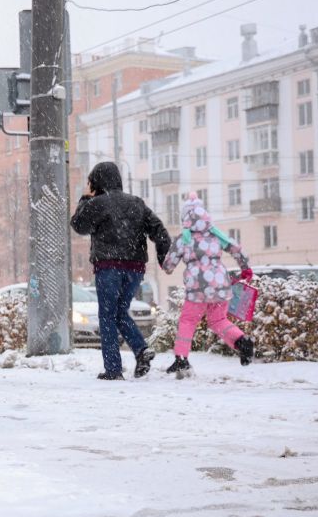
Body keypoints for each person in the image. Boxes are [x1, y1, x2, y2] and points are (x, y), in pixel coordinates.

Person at [71, 161, 171, 380]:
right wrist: (163, 258)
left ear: (97, 181)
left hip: (109, 267)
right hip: (135, 269)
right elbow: (160, 230)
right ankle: (141, 350)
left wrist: (85, 198)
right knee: (119, 312)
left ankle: (113, 369)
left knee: (107, 315)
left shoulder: (98, 203)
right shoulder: (136, 203)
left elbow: (78, 225)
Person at [161, 192, 254, 377]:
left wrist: (166, 262)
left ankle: (181, 359)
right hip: (221, 285)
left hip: (198, 288)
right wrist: (245, 268)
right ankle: (242, 341)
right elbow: (236, 249)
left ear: (185, 217)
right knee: (218, 320)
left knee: (188, 321)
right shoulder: (216, 234)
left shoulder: (184, 238)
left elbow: (169, 266)